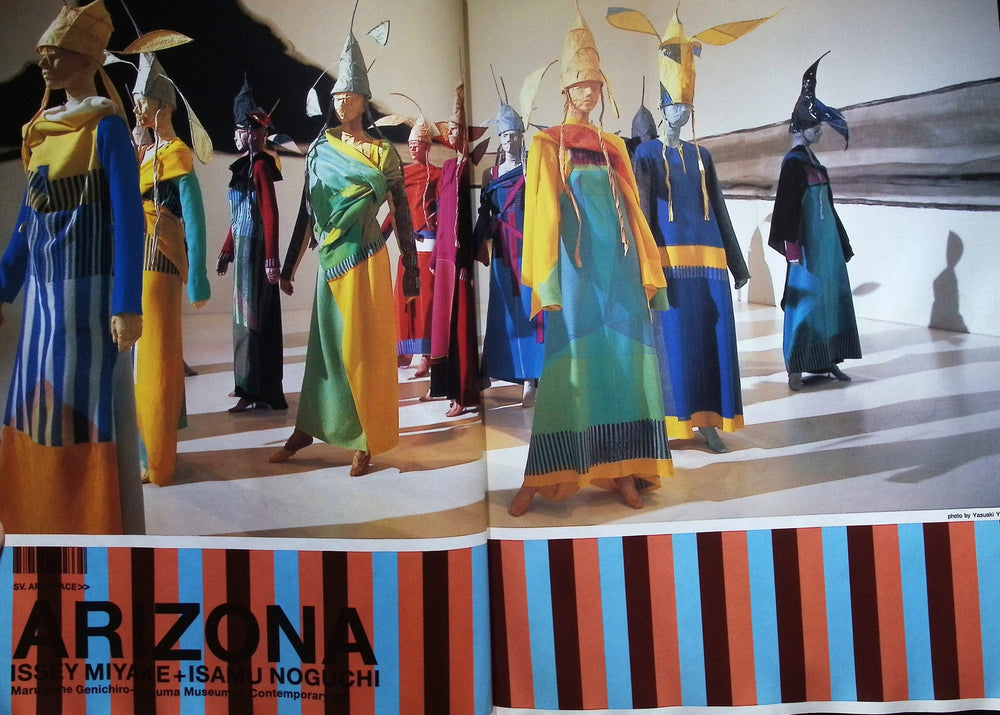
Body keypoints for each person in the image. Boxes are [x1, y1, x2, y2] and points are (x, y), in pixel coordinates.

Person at [508, 11, 672, 516]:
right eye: (582, 83)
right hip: (576, 273)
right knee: (569, 370)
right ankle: (541, 476)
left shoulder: (613, 145)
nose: (590, 92)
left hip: (619, 270)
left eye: (596, 84)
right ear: (565, 88)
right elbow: (541, 214)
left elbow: (632, 210)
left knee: (622, 364)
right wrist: (548, 281)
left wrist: (646, 268)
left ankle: (622, 468)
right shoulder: (547, 144)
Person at [0, 0, 145, 534]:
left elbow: (129, 221)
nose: (45, 63)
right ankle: (37, 519)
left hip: (87, 305)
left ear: (87, 60)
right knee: (35, 410)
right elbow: (28, 220)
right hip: (42, 304)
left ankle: (91, 524)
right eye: (44, 54)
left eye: (56, 54)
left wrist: (127, 304)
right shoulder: (42, 131)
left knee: (83, 413)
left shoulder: (105, 130)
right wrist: (4, 284)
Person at [271, 31, 418, 476]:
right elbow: (307, 209)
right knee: (326, 350)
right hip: (332, 260)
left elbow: (401, 212)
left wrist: (411, 267)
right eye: (336, 96)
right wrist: (290, 264)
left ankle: (365, 437)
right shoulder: (320, 149)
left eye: (348, 96)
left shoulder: (383, 151)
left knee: (365, 351)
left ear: (363, 100)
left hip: (368, 258)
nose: (340, 103)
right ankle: (308, 427)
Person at [628, 7, 755, 454]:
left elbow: (719, 209)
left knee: (710, 342)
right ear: (663, 107)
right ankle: (668, 423)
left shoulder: (704, 157)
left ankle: (709, 422)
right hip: (668, 266)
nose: (681, 111)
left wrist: (737, 264)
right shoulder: (646, 156)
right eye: (675, 104)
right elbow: (642, 213)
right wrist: (641, 268)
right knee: (673, 344)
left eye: (687, 105)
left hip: (710, 266)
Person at [131, 52, 211, 485]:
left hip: (161, 257)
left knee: (157, 356)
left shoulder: (177, 154)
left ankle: (159, 458)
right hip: (139, 257)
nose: (137, 108)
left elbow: (194, 218)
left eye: (143, 101)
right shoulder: (145, 152)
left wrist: (197, 277)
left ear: (163, 106)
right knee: (140, 359)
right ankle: (146, 447)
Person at [768, 53, 861, 391]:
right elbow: (786, 209)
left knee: (830, 303)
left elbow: (829, 207)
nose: (819, 131)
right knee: (805, 304)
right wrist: (791, 248)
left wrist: (842, 243)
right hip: (806, 248)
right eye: (814, 126)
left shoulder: (814, 162)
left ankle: (828, 358)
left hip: (827, 248)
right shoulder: (794, 163)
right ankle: (796, 366)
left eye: (819, 126)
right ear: (800, 128)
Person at [217, 78, 288, 413]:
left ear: (253, 132)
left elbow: (269, 213)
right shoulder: (246, 166)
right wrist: (227, 248)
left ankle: (255, 388)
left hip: (257, 253)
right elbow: (240, 213)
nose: (237, 135)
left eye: (241, 129)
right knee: (242, 318)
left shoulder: (260, 166)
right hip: (244, 251)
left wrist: (272, 259)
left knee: (253, 320)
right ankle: (245, 383)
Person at [473, 100, 543, 406]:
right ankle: (494, 369)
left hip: (528, 248)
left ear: (521, 137)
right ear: (500, 139)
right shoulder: (490, 174)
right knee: (502, 312)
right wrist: (476, 243)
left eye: (514, 135)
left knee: (530, 310)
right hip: (502, 249)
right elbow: (484, 212)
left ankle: (531, 378)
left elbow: (542, 207)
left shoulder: (531, 169)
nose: (510, 140)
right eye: (505, 136)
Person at [428, 84, 482, 418]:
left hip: (460, 262)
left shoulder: (469, 169)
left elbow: (473, 216)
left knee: (461, 328)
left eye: (456, 129)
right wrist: (436, 256)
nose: (452, 134)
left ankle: (464, 393)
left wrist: (468, 260)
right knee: (443, 327)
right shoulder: (448, 169)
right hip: (445, 259)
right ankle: (445, 388)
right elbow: (442, 218)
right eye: (449, 130)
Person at [391, 115, 440, 376]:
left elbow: (442, 210)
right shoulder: (402, 175)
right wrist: (380, 235)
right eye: (410, 144)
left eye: (418, 143)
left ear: (427, 146)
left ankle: (427, 355)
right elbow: (396, 210)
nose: (413, 147)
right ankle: (404, 351)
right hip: (407, 246)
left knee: (425, 301)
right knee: (404, 299)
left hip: (427, 242)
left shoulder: (438, 174)